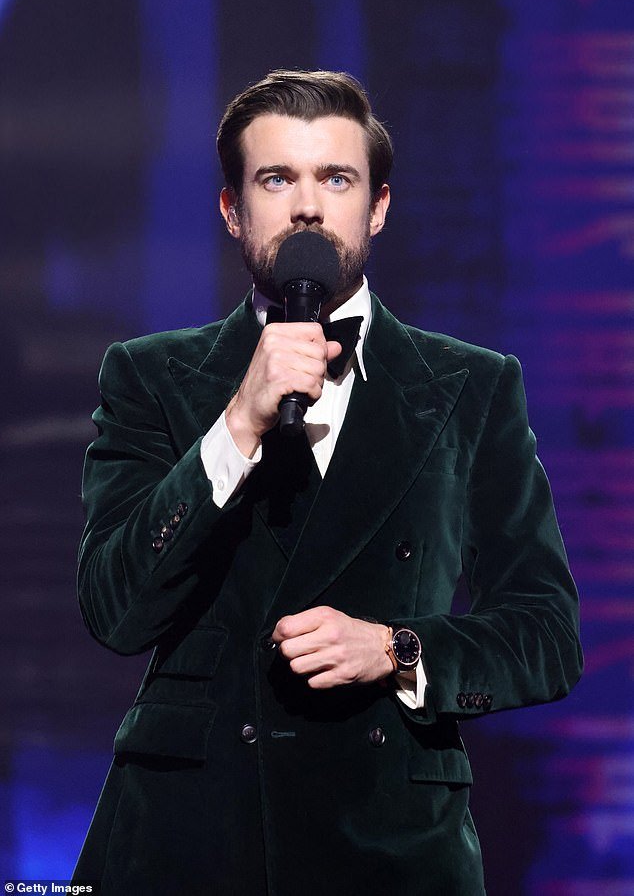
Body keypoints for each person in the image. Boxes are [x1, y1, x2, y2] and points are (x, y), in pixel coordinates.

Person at [73, 69, 582, 895]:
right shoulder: (149, 376)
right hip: (190, 839)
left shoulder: (472, 388)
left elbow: (547, 636)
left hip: (390, 845)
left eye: (336, 179)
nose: (308, 207)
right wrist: (237, 423)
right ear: (232, 209)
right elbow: (113, 608)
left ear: (378, 207)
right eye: (277, 179)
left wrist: (395, 648)